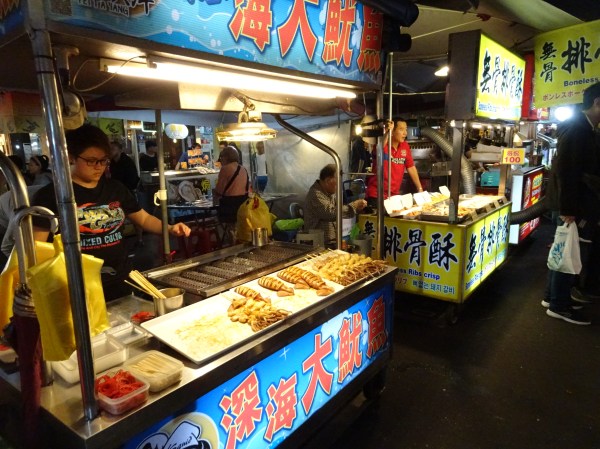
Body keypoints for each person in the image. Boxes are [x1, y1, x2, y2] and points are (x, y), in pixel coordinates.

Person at [31, 124, 190, 300]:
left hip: (120, 278)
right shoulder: (50, 196)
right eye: (92, 161)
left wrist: (170, 228)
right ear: (71, 158)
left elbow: (144, 219)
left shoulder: (115, 189)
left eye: (104, 160)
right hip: (76, 285)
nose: (99, 166)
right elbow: (37, 247)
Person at [544, 81, 600, 325]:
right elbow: (567, 171)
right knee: (568, 251)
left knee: (563, 249)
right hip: (573, 205)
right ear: (597, 102)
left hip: (573, 203)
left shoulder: (583, 127)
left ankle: (553, 297)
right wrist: (568, 209)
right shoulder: (578, 129)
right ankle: (559, 304)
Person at [304, 164, 367, 247]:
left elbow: (340, 210)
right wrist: (354, 206)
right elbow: (331, 213)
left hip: (331, 242)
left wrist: (357, 208)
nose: (339, 185)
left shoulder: (330, 193)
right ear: (328, 180)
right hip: (318, 244)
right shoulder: (315, 194)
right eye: (337, 182)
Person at [365, 118, 423, 207]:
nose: (405, 133)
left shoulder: (405, 146)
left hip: (394, 195)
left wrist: (420, 188)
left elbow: (411, 167)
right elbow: (380, 148)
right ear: (392, 131)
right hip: (376, 195)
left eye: (406, 129)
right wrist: (387, 132)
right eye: (401, 129)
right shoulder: (382, 145)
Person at [213, 145, 249, 225]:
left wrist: (214, 192)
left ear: (226, 157)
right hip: (243, 205)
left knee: (218, 221)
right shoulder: (243, 169)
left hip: (229, 207)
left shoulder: (225, 169)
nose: (220, 160)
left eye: (221, 157)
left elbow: (219, 190)